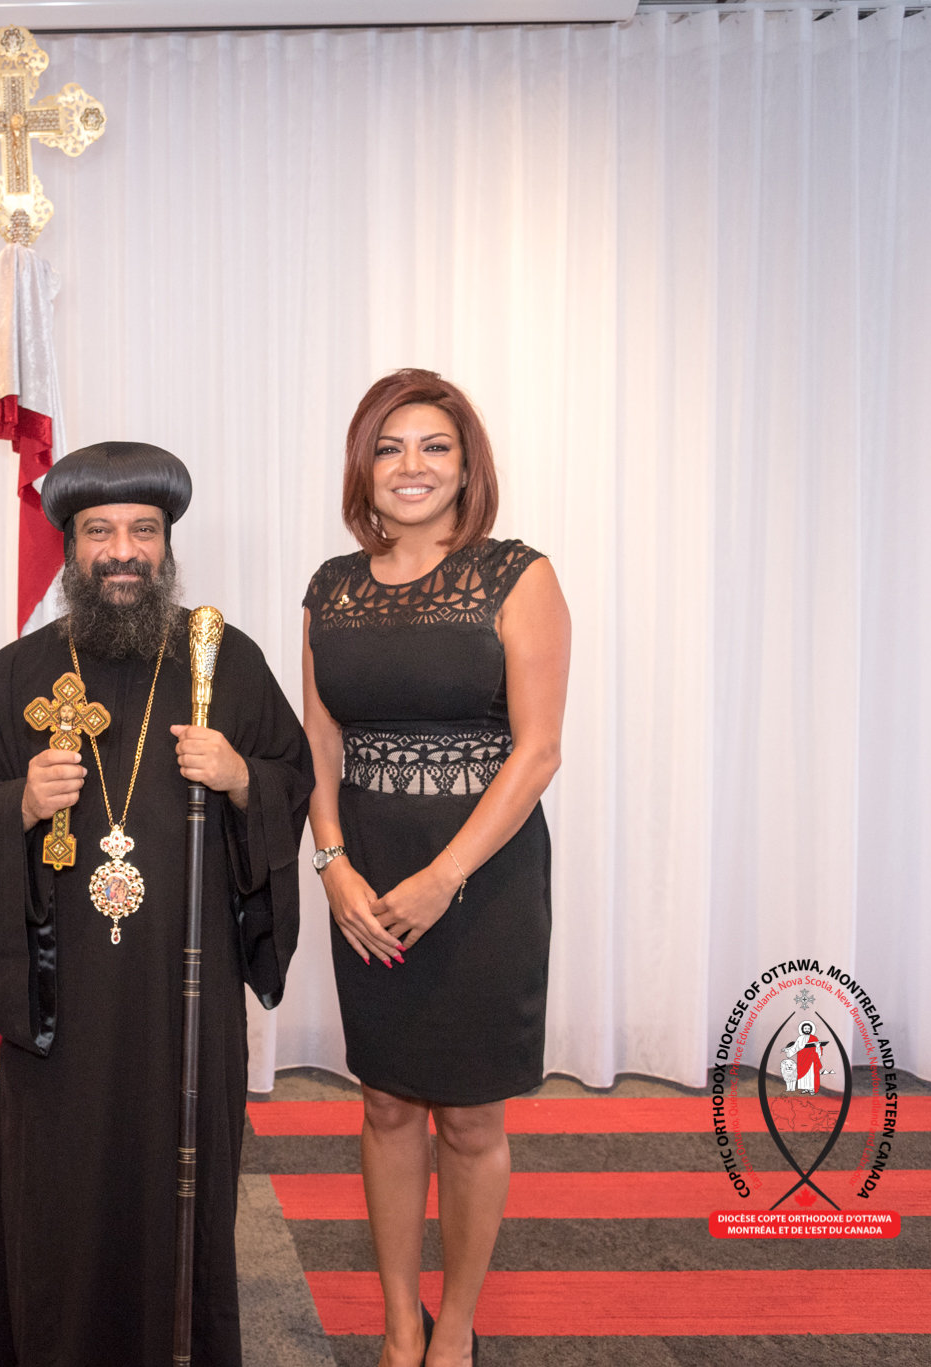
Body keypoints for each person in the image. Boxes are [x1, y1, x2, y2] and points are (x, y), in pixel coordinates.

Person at [0, 442, 314, 1367]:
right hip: (63, 998)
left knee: (181, 1194)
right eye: (99, 531)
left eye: (143, 531)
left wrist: (240, 778)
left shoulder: (222, 660)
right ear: (70, 547)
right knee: (58, 1196)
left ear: (166, 544)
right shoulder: (18, 673)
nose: (122, 552)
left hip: (185, 991)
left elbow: (291, 775)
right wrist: (20, 803)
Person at [300, 370, 570, 1367]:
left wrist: (444, 875)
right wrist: (331, 860)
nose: (409, 465)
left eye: (433, 446)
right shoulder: (331, 587)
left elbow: (536, 751)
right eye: (389, 446)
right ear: (362, 465)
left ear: (466, 467)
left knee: (468, 1113)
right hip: (366, 874)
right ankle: (397, 1321)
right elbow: (319, 738)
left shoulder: (517, 575)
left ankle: (453, 1325)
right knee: (382, 1099)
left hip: (482, 878)